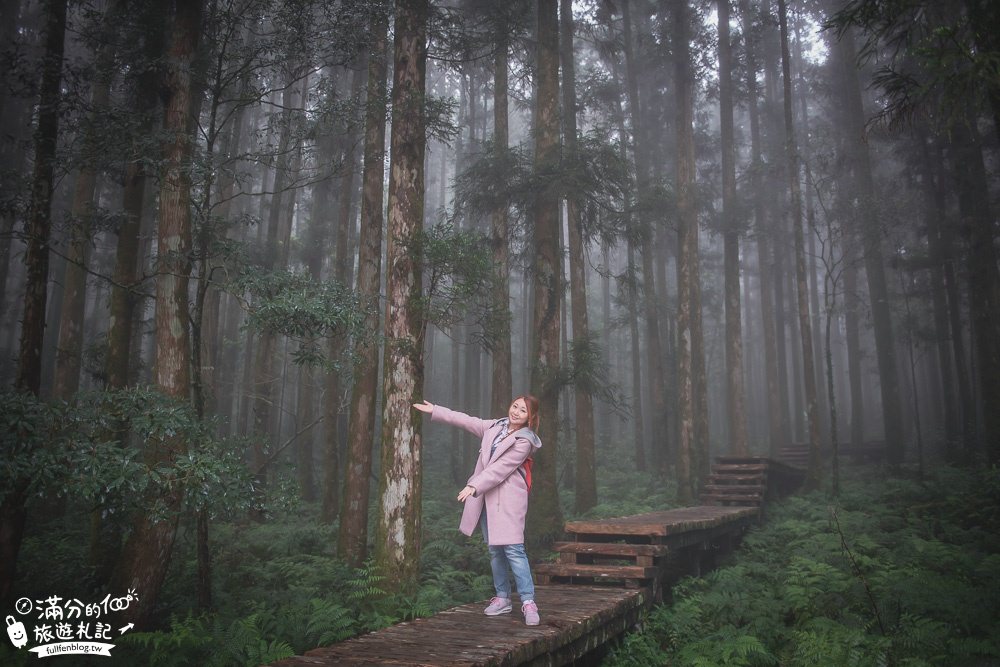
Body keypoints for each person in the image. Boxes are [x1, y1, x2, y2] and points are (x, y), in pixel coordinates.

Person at [413, 396, 543, 626]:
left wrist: (474, 485)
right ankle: (502, 598)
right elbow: (466, 420)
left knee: (514, 549)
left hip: (508, 499)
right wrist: (436, 409)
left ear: (530, 417)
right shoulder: (495, 426)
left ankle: (528, 601)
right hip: (485, 497)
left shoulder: (525, 440)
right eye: (514, 406)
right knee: (495, 550)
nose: (516, 412)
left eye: (523, 411)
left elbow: (501, 468)